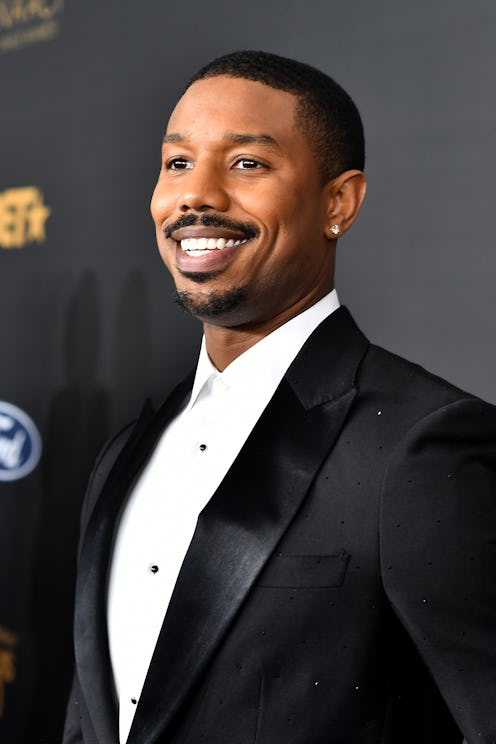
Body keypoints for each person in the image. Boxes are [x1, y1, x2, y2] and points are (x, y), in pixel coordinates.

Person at [63, 50, 496, 744]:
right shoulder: (126, 452)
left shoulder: (421, 443)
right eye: (177, 163)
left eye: (247, 164)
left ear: (338, 202)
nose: (195, 196)